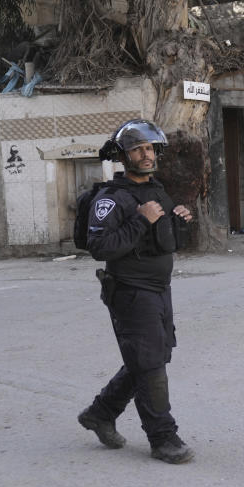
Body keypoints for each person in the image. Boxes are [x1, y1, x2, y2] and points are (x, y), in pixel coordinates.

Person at [78, 119, 195, 464]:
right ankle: (163, 438)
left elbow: (166, 242)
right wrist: (141, 219)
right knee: (150, 363)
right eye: (137, 149)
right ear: (123, 155)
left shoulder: (157, 190)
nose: (146, 155)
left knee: (150, 358)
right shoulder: (110, 199)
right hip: (130, 291)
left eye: (150, 148)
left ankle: (101, 413)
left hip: (160, 289)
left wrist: (180, 220)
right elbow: (100, 247)